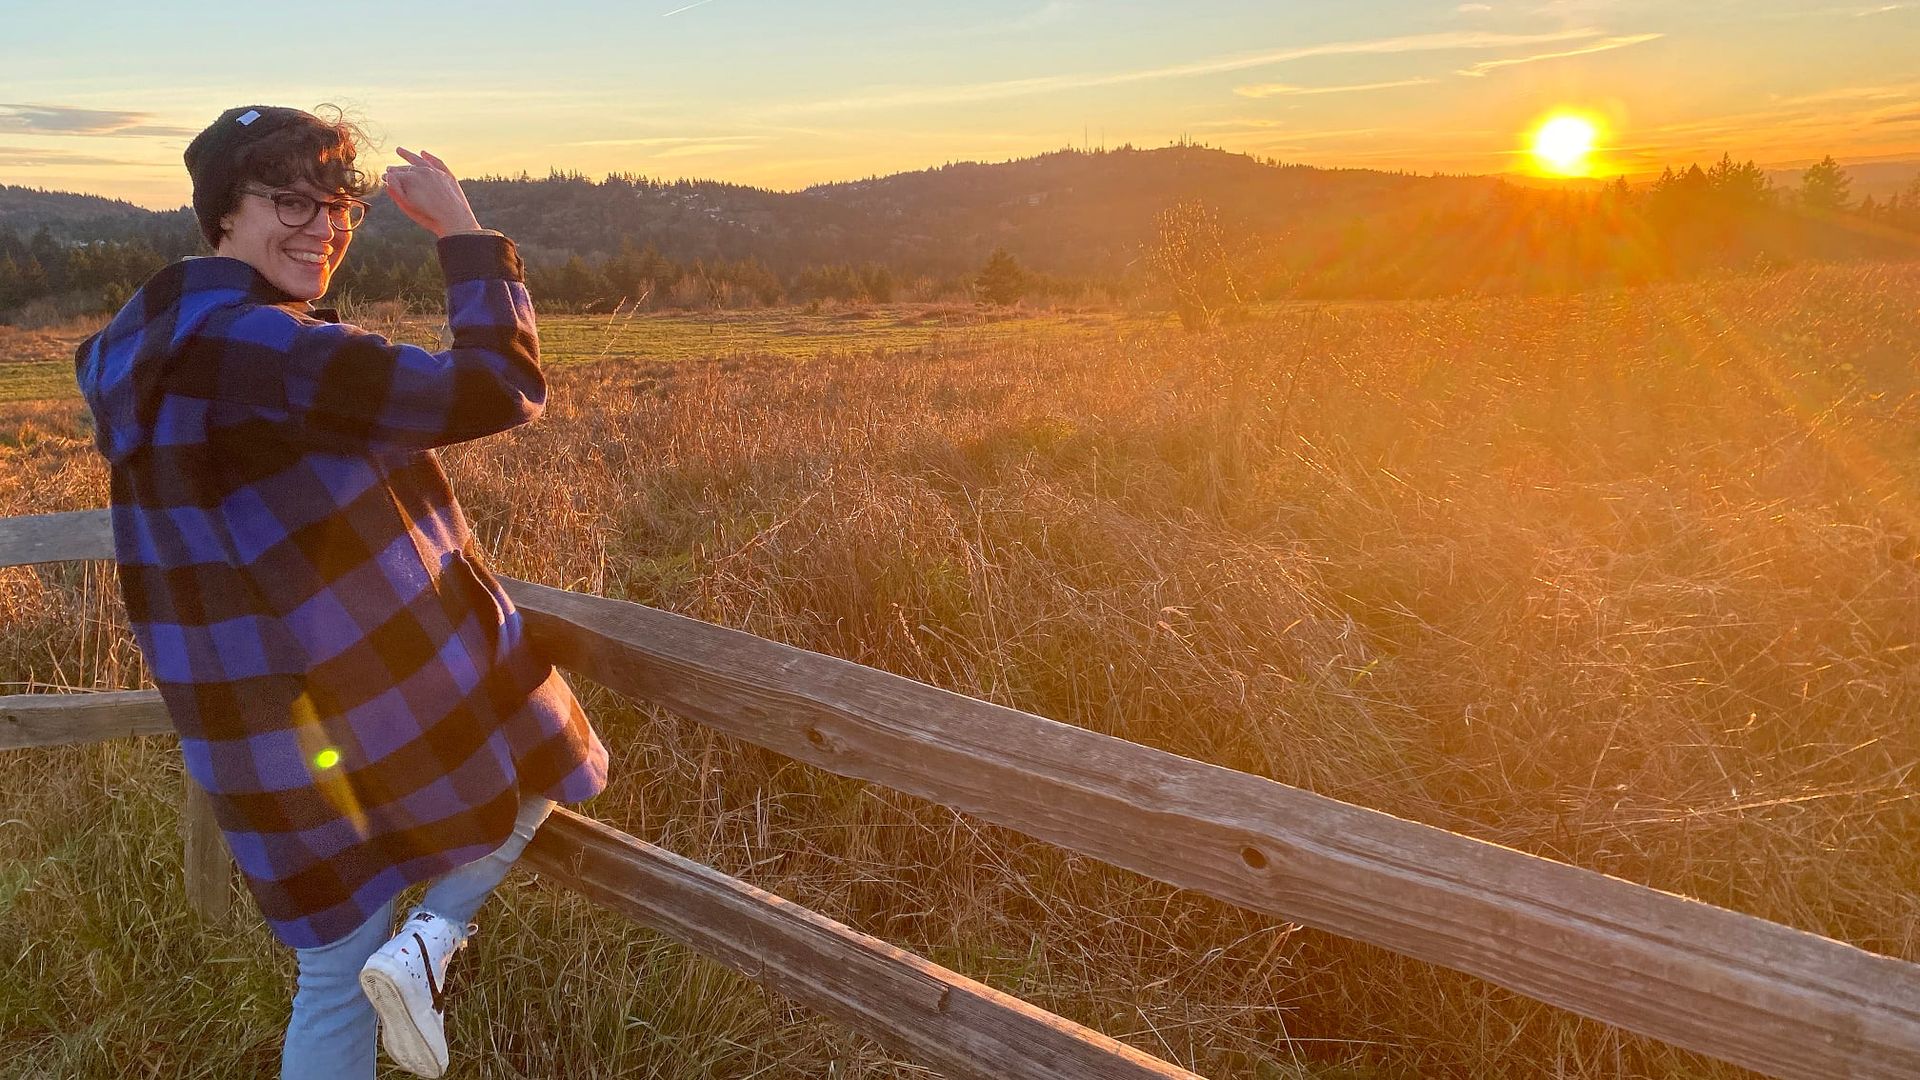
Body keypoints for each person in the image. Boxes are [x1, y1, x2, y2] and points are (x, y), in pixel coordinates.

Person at [73, 105, 609, 1079]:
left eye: (338, 208)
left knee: (330, 972)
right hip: (367, 707)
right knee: (550, 764)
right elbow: (501, 387)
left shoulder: (144, 344)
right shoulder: (271, 350)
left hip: (251, 727)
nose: (323, 227)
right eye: (290, 201)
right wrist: (464, 235)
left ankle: (417, 953)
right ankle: (433, 942)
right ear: (222, 214)